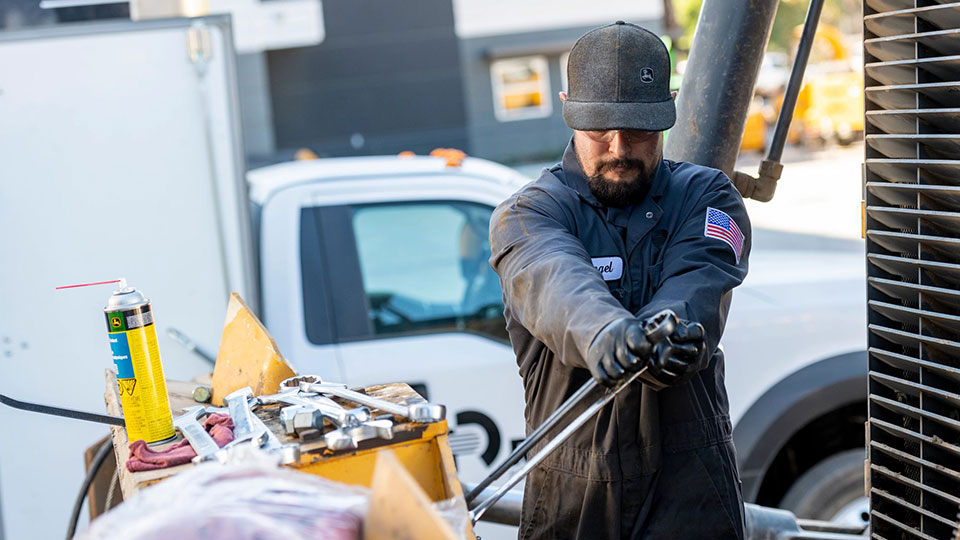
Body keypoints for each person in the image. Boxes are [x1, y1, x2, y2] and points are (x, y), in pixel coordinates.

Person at [489, 21, 751, 539]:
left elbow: (699, 281)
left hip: (692, 491)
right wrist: (605, 334)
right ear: (567, 108)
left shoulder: (709, 198)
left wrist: (661, 332)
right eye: (598, 131)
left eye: (638, 131)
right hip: (573, 493)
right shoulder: (528, 215)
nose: (618, 148)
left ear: (667, 112)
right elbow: (552, 279)